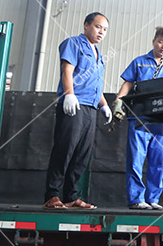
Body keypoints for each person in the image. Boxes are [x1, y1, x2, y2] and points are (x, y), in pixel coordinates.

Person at [43, 12, 112, 210]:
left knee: (82, 154)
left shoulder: (98, 54)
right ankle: (52, 195)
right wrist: (69, 94)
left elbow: (96, 84)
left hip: (91, 108)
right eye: (98, 27)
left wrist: (104, 105)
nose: (101, 32)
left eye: (105, 30)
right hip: (74, 105)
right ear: (86, 25)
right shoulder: (73, 43)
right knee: (65, 149)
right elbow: (67, 71)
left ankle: (71, 196)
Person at [113, 27, 163, 210]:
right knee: (136, 158)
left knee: (159, 161)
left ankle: (153, 199)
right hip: (139, 118)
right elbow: (128, 83)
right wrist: (118, 102)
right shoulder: (140, 63)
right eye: (160, 41)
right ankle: (136, 199)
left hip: (161, 121)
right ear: (153, 42)